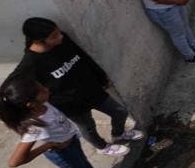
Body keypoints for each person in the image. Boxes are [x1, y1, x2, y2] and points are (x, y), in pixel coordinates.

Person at [8, 17, 142, 156]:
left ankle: (118, 134)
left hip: (91, 89)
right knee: (88, 127)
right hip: (70, 103)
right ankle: (102, 147)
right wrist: (37, 105)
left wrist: (101, 77)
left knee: (119, 111)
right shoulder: (30, 63)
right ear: (38, 40)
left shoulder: (63, 40)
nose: (60, 37)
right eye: (54, 36)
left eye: (59, 32)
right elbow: (9, 89)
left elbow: (83, 56)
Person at [0, 78, 129, 168]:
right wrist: (48, 145)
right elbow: (14, 162)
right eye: (41, 90)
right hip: (62, 153)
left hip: (71, 140)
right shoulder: (34, 127)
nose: (46, 89)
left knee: (83, 163)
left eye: (41, 86)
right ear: (31, 104)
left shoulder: (43, 104)